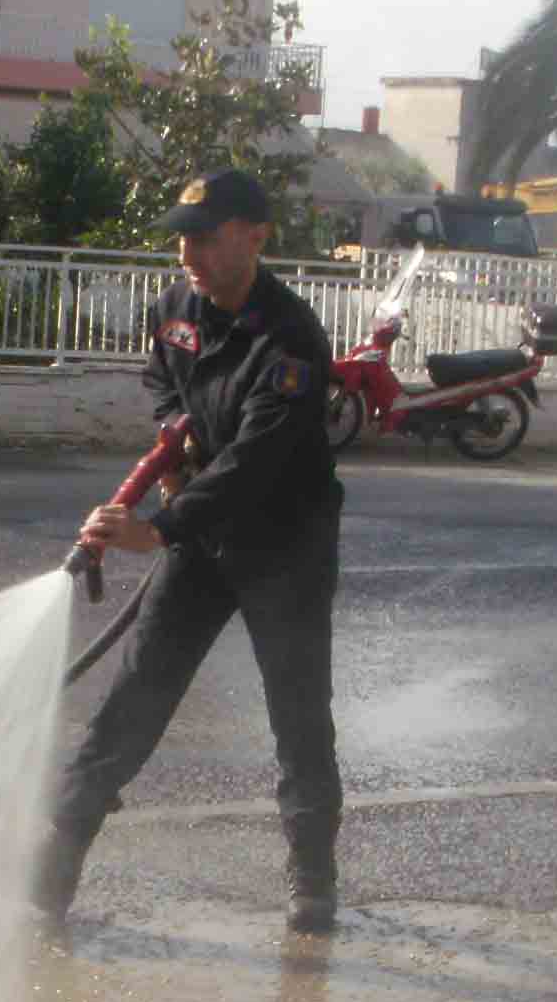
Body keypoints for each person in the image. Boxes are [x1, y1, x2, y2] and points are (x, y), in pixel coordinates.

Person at [33, 169, 344, 936]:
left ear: (255, 236)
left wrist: (158, 528)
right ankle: (52, 868)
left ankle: (312, 877)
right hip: (202, 534)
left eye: (204, 238)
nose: (188, 254)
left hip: (283, 544)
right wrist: (175, 438)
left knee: (298, 712)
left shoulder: (291, 337)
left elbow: (257, 459)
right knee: (135, 696)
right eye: (182, 238)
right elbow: (163, 383)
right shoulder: (175, 309)